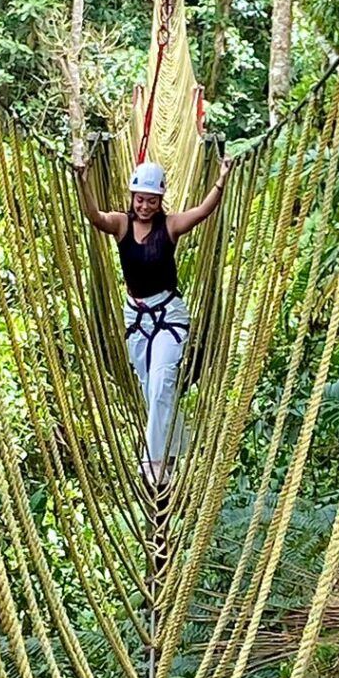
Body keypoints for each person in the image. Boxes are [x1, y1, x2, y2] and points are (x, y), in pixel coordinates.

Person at [75, 155, 232, 485]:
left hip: (169, 316)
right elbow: (93, 216)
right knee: (152, 390)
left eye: (151, 200)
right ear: (132, 198)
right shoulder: (120, 225)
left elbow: (203, 211)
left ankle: (154, 461)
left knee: (161, 381)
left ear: (161, 201)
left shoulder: (170, 226)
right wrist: (83, 182)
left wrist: (222, 178)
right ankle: (175, 448)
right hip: (136, 318)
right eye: (140, 199)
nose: (145, 206)